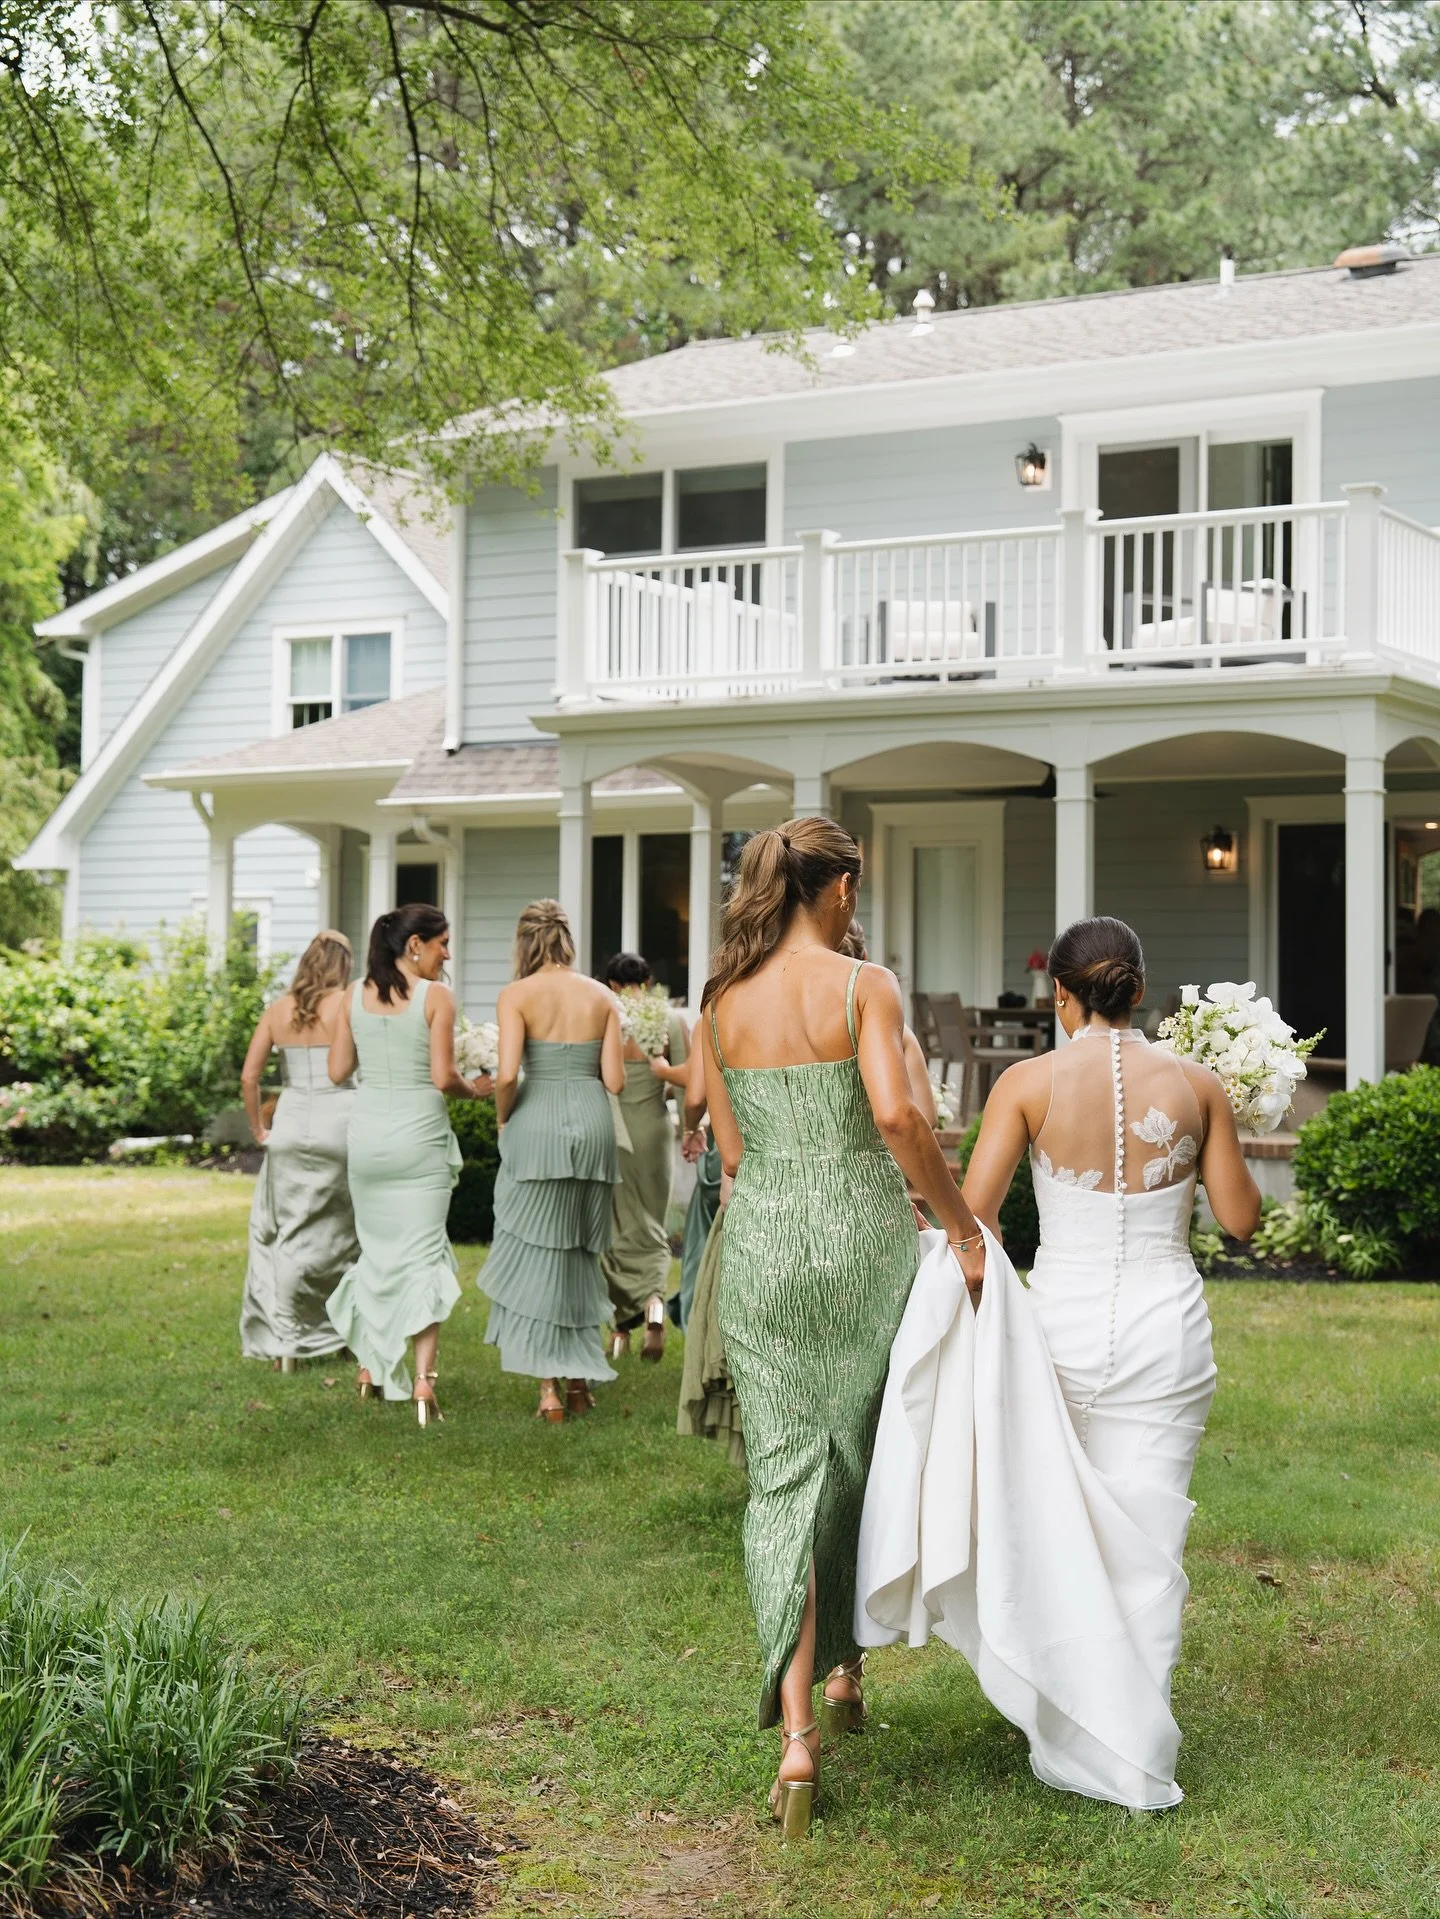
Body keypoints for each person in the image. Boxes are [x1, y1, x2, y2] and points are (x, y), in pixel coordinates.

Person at [855, 916, 1261, 1810]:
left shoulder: (1027, 1082)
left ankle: (1081, 1717)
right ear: (1141, 990)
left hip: (1065, 1330)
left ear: (1061, 996)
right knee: (1150, 1531)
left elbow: (977, 1209)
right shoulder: (1198, 1085)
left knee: (1067, 1521)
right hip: (1166, 1332)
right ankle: (1135, 1732)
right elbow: (1239, 1217)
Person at [700, 817, 987, 1837]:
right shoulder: (867, 986)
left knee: (786, 1470)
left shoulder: (720, 1002)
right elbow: (902, 1119)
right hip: (861, 1234)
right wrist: (960, 1227)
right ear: (840, 888)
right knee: (858, 1447)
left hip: (768, 1239)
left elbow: (729, 1153)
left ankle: (797, 1735)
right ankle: (849, 1673)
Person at [326, 904, 488, 1424]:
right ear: (414, 944)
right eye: (443, 943)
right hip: (419, 1140)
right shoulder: (434, 997)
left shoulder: (352, 995)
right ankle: (422, 1382)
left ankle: (370, 1370)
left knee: (376, 1255)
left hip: (369, 1136)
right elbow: (443, 1077)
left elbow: (336, 1071)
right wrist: (476, 1088)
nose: (448, 953)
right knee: (421, 1257)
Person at [480, 900, 626, 1423]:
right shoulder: (602, 995)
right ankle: (581, 1382)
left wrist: (502, 1120)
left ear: (524, 942)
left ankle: (548, 1389)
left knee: (540, 1254)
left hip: (536, 1121)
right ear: (566, 939)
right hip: (593, 1125)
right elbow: (615, 1081)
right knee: (581, 1255)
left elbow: (505, 1075)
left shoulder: (516, 994)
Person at [239, 930, 357, 1370]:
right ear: (342, 964)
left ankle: (287, 1342)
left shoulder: (277, 1009)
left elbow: (250, 1078)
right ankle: (345, 1335)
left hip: (289, 1126)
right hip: (341, 1122)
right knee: (345, 1237)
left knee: (286, 1235)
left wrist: (258, 1129)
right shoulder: (348, 1003)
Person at [600, 952, 688, 1363]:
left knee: (617, 1227)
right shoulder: (669, 1019)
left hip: (615, 1131)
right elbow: (687, 1079)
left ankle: (619, 1328)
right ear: (648, 981)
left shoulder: (606, 1015)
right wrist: (691, 1130)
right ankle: (654, 1304)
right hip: (654, 1130)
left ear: (613, 985)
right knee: (653, 1222)